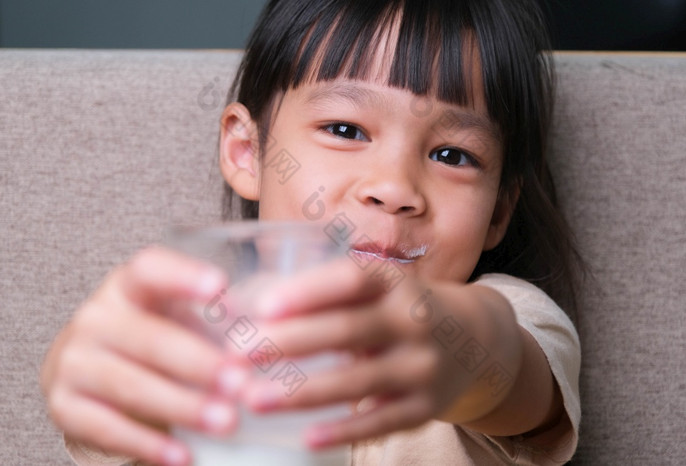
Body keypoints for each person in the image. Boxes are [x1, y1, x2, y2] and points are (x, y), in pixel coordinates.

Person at [40, 0, 583, 464]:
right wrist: (95, 366)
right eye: (345, 129)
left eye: (453, 155)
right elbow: (111, 399)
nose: (394, 188)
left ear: (497, 213)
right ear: (248, 152)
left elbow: (503, 366)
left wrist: (444, 337)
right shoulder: (195, 332)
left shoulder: (513, 315)